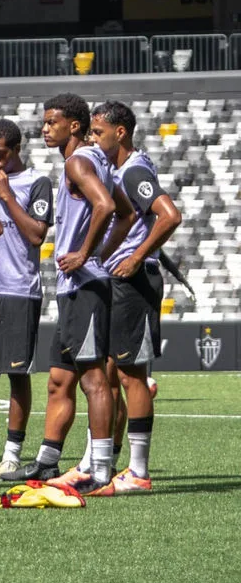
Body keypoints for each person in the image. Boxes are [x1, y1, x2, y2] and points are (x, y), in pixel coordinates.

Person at [19, 93, 117, 486]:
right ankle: (47, 460)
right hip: (75, 286)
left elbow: (107, 206)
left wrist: (85, 254)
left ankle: (101, 467)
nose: (45, 128)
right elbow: (122, 211)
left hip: (85, 285)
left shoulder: (79, 162)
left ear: (73, 125)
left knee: (94, 379)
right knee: (60, 378)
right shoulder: (93, 161)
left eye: (51, 122)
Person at [90, 101, 179, 495]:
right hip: (118, 281)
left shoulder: (135, 169)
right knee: (111, 373)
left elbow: (170, 215)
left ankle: (139, 472)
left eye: (97, 132)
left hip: (135, 282)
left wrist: (136, 256)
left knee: (130, 374)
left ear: (120, 132)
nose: (93, 139)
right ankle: (110, 461)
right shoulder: (117, 170)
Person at [0, 118, 53, 480]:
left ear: (16, 150)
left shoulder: (36, 182)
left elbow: (37, 235)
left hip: (18, 290)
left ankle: (11, 453)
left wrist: (6, 196)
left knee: (16, 375)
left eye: (0, 155)